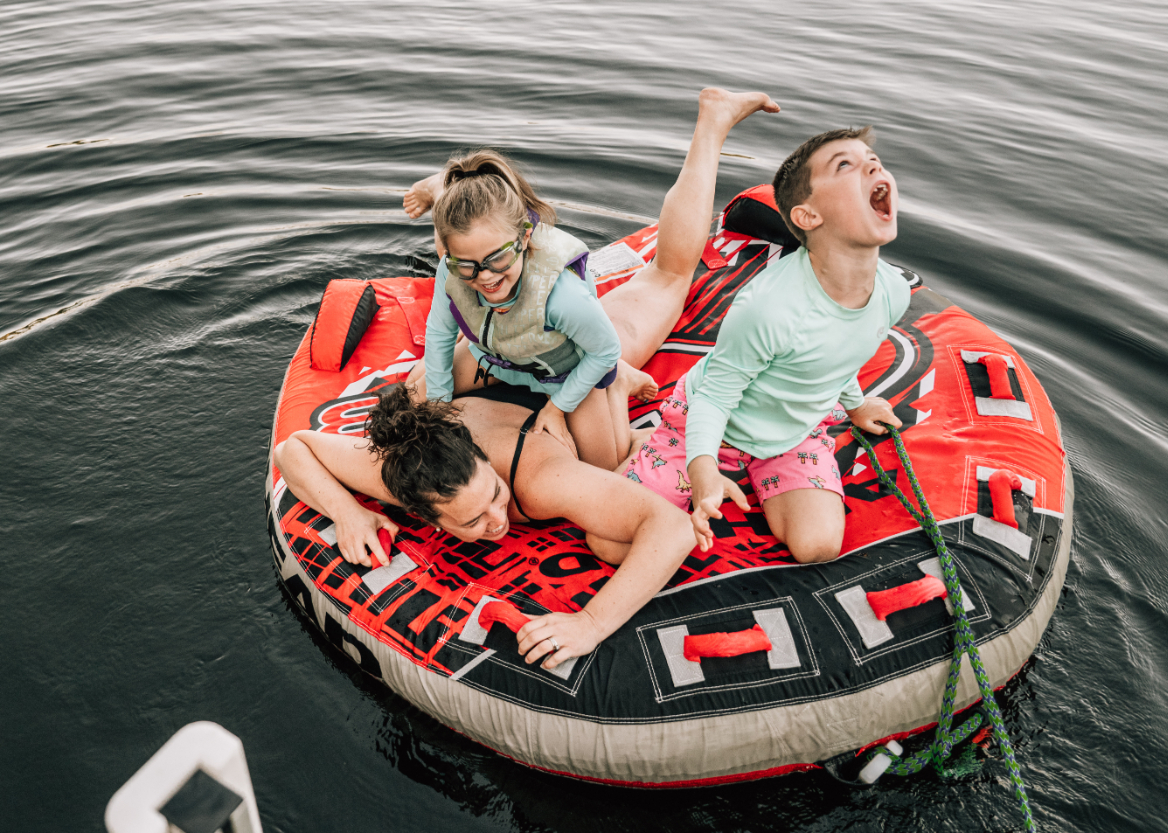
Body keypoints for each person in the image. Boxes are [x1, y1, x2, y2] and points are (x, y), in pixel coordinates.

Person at [275, 89, 780, 671]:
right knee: (433, 370)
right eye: (472, 521)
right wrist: (350, 512)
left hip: (555, 359)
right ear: (426, 515)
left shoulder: (536, 480)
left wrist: (590, 622)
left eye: (491, 496)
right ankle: (452, 199)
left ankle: (713, 122)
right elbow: (298, 450)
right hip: (487, 365)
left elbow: (667, 530)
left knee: (667, 280)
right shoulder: (401, 479)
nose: (499, 517)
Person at [624, 127, 908, 564]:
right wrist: (703, 471)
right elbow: (715, 399)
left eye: (872, 158)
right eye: (845, 165)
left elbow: (840, 351)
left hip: (792, 432)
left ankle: (763, 470)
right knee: (611, 542)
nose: (873, 165)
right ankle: (645, 443)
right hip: (710, 425)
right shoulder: (769, 307)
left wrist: (854, 406)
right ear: (808, 216)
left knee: (818, 546)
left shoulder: (892, 292)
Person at [401, 149, 658, 471]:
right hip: (497, 357)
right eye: (467, 266)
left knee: (604, 468)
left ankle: (620, 383)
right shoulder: (449, 270)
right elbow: (440, 330)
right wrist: (439, 403)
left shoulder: (562, 296)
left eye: (497, 259)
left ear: (523, 238)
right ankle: (443, 191)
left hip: (562, 372)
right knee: (414, 397)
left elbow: (605, 351)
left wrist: (557, 408)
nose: (486, 277)